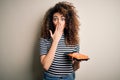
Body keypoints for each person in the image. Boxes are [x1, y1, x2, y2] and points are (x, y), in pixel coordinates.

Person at [39, 1, 80, 80]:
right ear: (51, 21)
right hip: (50, 77)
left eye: (63, 19)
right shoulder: (45, 38)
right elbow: (45, 66)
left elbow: (75, 68)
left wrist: (77, 61)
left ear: (68, 22)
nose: (59, 22)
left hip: (69, 77)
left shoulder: (73, 39)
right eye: (55, 19)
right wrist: (55, 40)